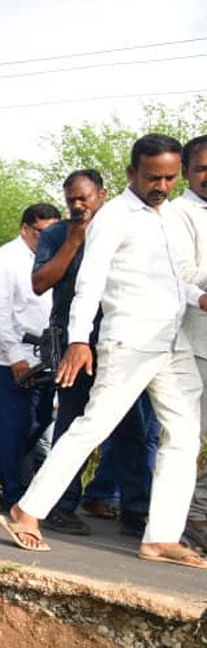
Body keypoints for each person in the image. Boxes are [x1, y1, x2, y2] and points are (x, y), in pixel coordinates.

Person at [0, 134, 206, 569]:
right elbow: (89, 282)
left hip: (173, 342)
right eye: (154, 177)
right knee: (92, 427)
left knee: (184, 436)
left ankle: (162, 536)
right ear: (132, 173)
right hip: (130, 340)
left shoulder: (172, 217)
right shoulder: (112, 218)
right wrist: (78, 340)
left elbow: (175, 279)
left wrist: (198, 297)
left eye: (170, 178)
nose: (163, 186)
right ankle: (27, 511)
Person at [31, 170, 154, 536]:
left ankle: (136, 509)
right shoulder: (56, 234)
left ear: (102, 194)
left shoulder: (124, 224)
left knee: (132, 426)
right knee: (71, 422)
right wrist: (73, 240)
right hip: (74, 342)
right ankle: (61, 505)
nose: (77, 205)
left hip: (119, 338)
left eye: (84, 198)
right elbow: (40, 283)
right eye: (71, 200)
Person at [0, 203, 62, 510]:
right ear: (25, 229)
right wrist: (15, 356)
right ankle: (13, 491)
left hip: (46, 354)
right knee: (13, 425)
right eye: (42, 233)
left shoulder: (52, 257)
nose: (48, 238)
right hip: (11, 356)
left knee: (41, 419)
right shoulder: (4, 260)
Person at [171, 134, 207, 553]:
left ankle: (197, 508)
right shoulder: (178, 213)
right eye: (201, 167)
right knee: (186, 436)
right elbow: (180, 275)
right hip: (192, 341)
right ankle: (182, 519)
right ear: (186, 172)